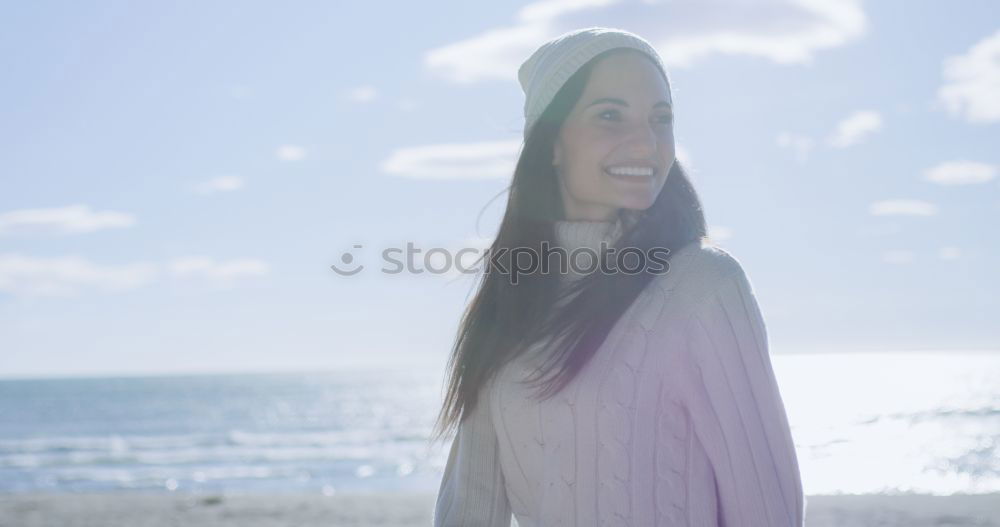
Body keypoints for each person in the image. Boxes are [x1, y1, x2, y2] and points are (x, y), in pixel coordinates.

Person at [430, 26, 806, 527]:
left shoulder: (704, 286)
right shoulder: (513, 295)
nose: (646, 142)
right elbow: (469, 506)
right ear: (551, 143)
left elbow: (767, 508)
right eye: (610, 115)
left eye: (661, 118)